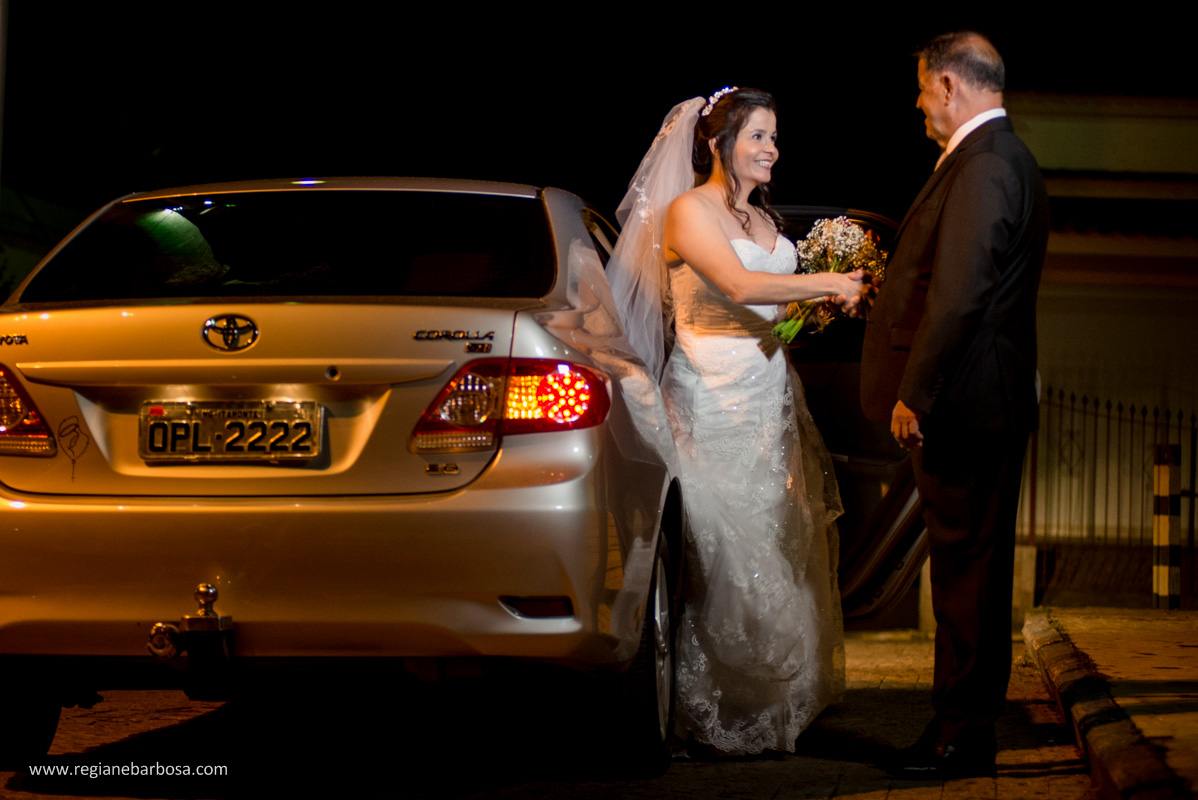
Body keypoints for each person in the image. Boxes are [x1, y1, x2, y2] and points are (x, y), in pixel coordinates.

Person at [608, 88, 862, 756]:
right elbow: (741, 288)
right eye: (758, 136)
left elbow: (773, 318)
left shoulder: (762, 218)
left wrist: (814, 314)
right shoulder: (688, 211)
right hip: (709, 398)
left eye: (775, 138)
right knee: (724, 549)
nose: (771, 149)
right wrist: (829, 283)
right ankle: (706, 704)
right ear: (719, 143)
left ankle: (774, 704)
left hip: (767, 397)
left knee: (776, 540)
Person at [859, 32, 1050, 777]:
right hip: (984, 400)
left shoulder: (984, 165)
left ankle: (958, 733)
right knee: (975, 567)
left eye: (920, 88)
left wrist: (916, 391)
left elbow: (962, 292)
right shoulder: (1008, 160)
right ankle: (967, 726)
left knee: (965, 571)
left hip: (965, 405)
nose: (917, 104)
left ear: (948, 86)